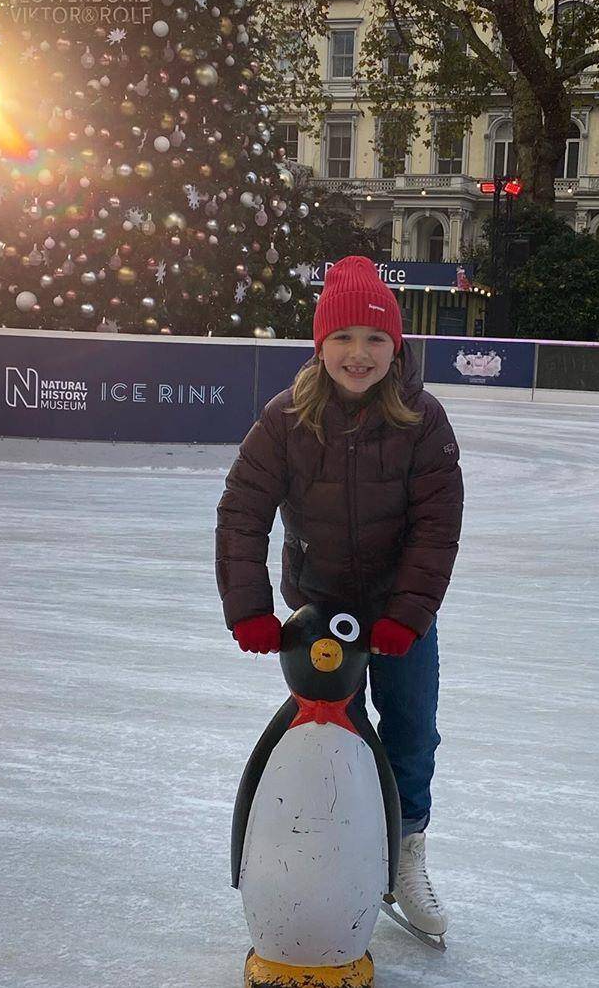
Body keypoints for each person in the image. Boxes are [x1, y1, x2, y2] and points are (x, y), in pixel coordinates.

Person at [215, 255, 464, 936]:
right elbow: (243, 511)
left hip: (398, 612)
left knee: (412, 734)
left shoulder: (423, 420)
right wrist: (251, 610)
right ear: (320, 345)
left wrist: (408, 615)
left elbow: (436, 526)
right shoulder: (286, 420)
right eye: (344, 338)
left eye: (375, 339)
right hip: (319, 614)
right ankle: (333, 856)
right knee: (328, 740)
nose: (359, 354)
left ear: (397, 346)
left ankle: (407, 851)